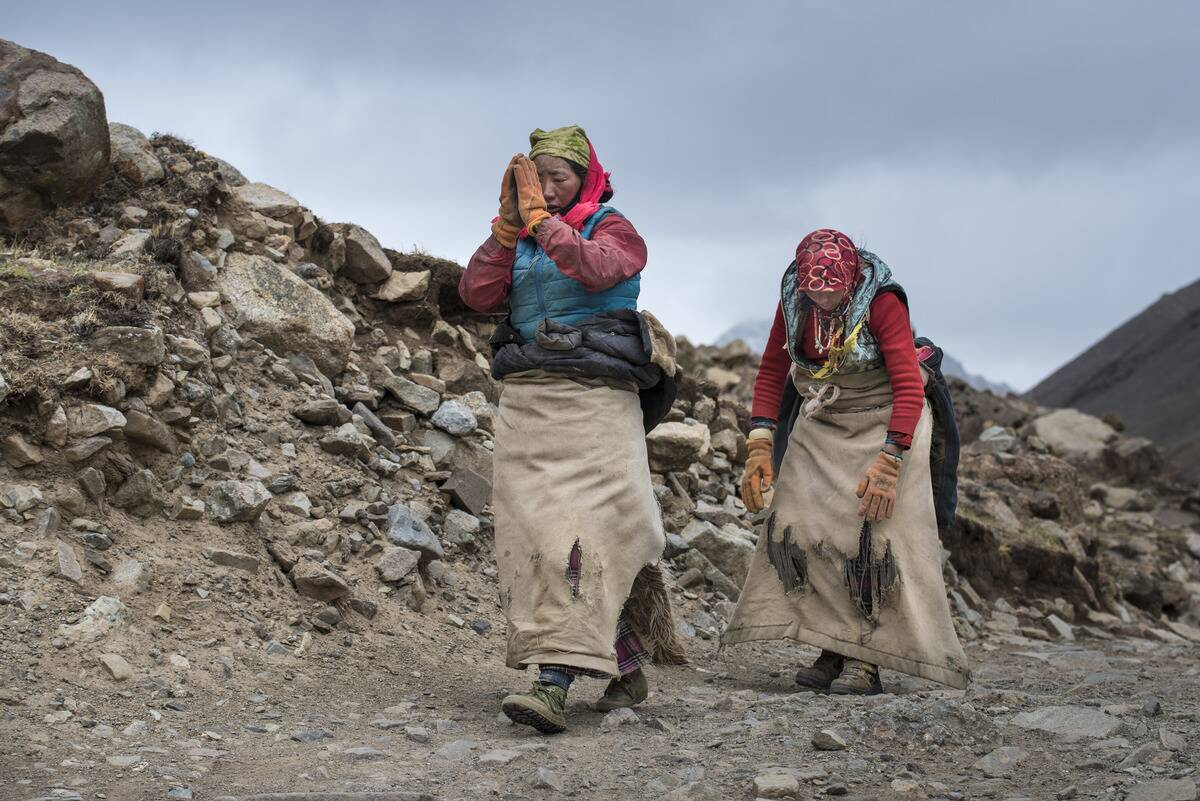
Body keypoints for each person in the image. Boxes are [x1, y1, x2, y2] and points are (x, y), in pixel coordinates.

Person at [459, 125, 684, 733]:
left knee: (579, 535)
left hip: (596, 405)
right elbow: (477, 294)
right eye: (539, 178)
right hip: (529, 402)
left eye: (559, 177)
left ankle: (551, 683)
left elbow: (595, 270)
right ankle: (623, 664)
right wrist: (507, 230)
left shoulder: (613, 228)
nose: (550, 189)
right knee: (535, 534)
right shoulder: (524, 240)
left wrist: (542, 223)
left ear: (586, 179)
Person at [722, 229, 969, 693]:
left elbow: (907, 383)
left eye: (832, 289)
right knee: (808, 525)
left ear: (851, 280)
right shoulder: (795, 297)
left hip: (887, 420)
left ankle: (867, 659)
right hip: (825, 416)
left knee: (875, 538)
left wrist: (891, 460)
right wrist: (759, 442)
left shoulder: (882, 302)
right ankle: (832, 645)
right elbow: (774, 370)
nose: (823, 297)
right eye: (814, 290)